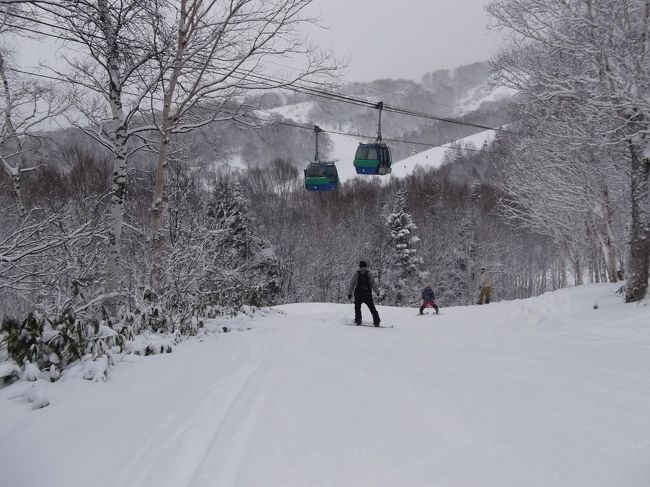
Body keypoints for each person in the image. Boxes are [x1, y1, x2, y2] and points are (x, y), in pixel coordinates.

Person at [347, 260, 381, 326]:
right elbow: (373, 284)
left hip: (358, 294)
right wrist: (377, 292)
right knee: (372, 308)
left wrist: (349, 293)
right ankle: (377, 321)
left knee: (357, 308)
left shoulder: (356, 274)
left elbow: (352, 284)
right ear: (366, 266)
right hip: (367, 294)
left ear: (360, 266)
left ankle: (358, 320)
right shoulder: (369, 274)